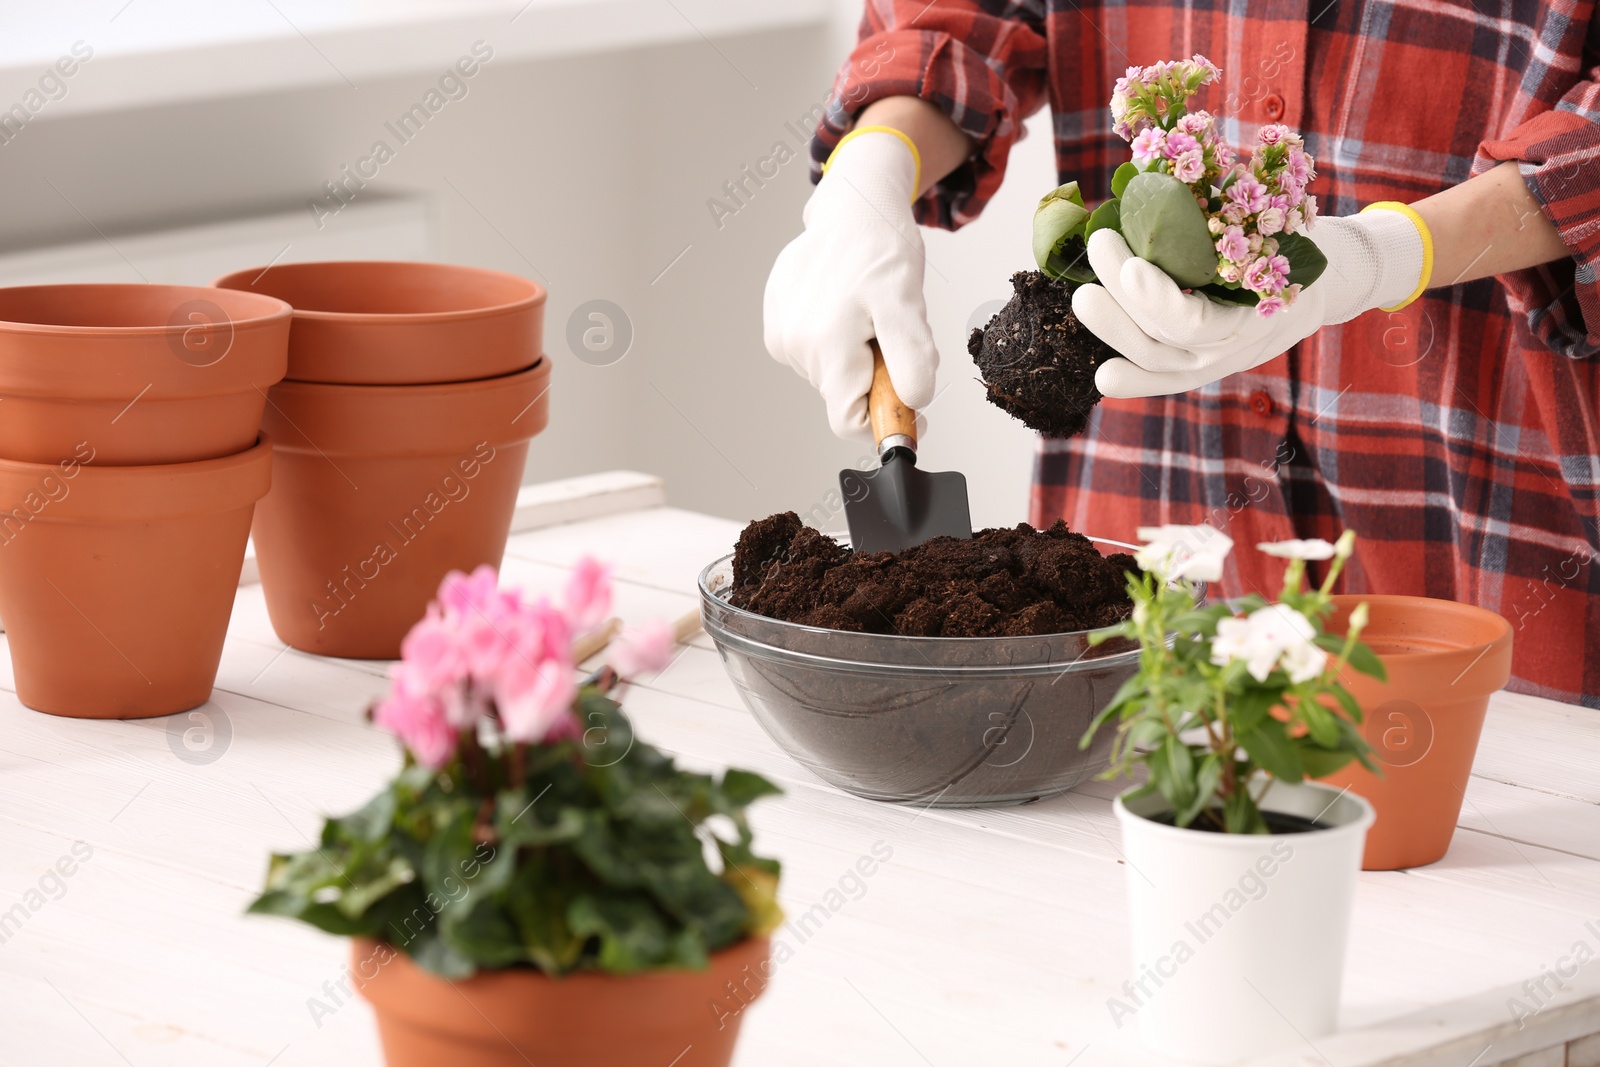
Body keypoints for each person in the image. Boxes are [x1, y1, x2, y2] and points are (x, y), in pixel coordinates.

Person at [763, 3, 1600, 706]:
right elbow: (962, 21)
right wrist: (873, 166)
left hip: (1487, 530)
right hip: (1145, 504)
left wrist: (1385, 254)